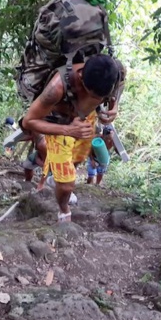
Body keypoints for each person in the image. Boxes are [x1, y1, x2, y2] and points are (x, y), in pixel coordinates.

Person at [21, 54, 121, 223]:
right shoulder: (57, 88)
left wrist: (114, 107)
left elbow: (120, 84)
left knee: (79, 157)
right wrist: (68, 130)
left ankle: (58, 181)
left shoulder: (114, 72)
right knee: (67, 182)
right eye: (93, 96)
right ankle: (64, 211)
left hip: (84, 121)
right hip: (58, 124)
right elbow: (28, 121)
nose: (97, 101)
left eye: (101, 98)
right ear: (81, 78)